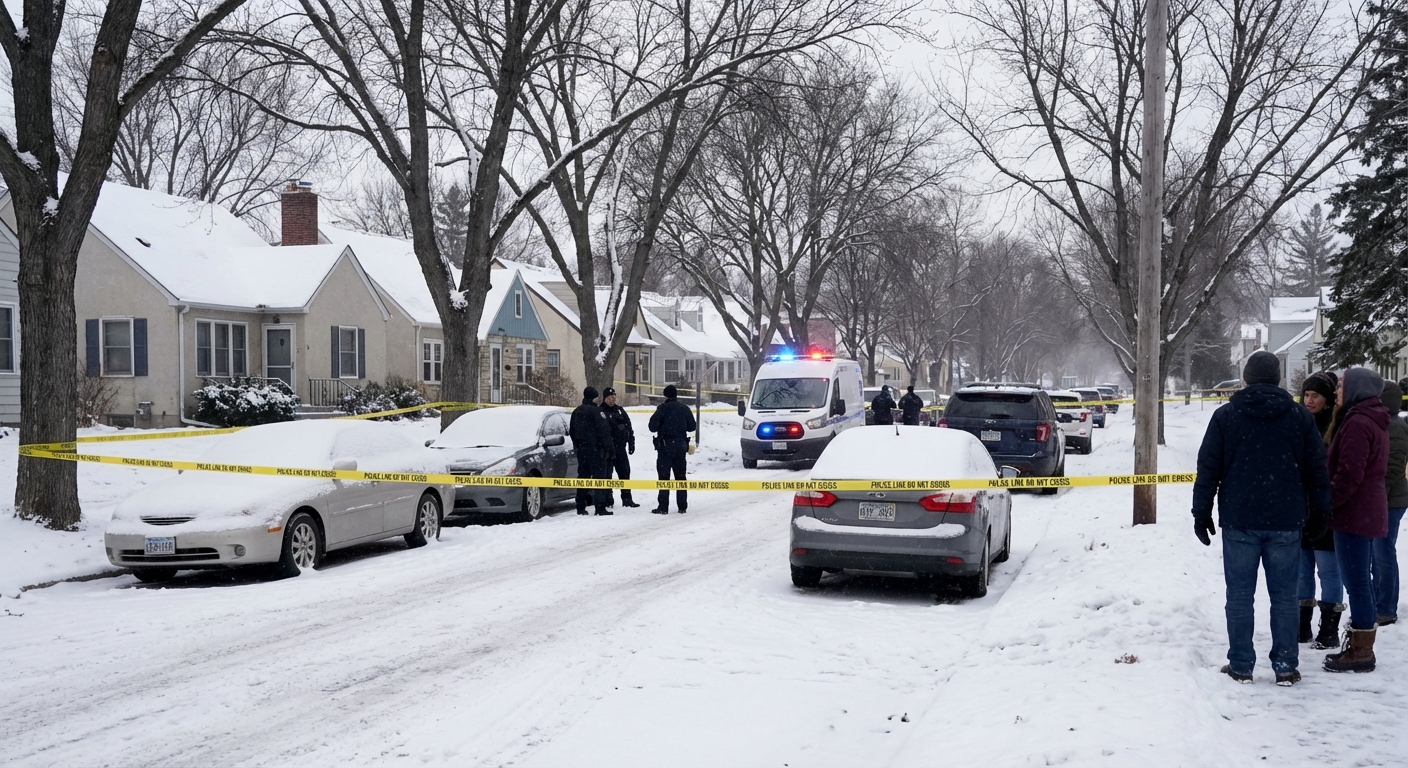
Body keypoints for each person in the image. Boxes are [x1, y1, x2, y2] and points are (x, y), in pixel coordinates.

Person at [1192, 350, 1331, 686]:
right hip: (1286, 518)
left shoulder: (1226, 416)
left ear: (1247, 378)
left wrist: (1201, 511)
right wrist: (1321, 511)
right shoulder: (1299, 417)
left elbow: (1208, 467)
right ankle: (1285, 665)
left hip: (1240, 517)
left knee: (1239, 595)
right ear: (1278, 378)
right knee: (1284, 596)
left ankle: (1241, 665)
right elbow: (1317, 470)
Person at [1323, 367, 1391, 673]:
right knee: (1361, 580)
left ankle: (1361, 651)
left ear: (1356, 389)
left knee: (1357, 583)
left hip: (1354, 513)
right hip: (1367, 509)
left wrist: (1328, 504)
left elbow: (1349, 473)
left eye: (1341, 386)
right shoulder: (1372, 419)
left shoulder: (1357, 423)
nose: (1337, 392)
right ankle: (1360, 646)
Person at [1298, 371, 1344, 648]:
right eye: (1306, 394)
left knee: (1329, 570)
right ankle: (1301, 626)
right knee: (1302, 570)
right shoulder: (1299, 422)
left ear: (1327, 400)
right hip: (1301, 508)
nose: (1309, 400)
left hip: (1327, 507)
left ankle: (1329, 629)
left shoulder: (1338, 426)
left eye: (1315, 395)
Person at [1373, 380, 1408, 626]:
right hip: (1383, 498)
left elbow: (1394, 466)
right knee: (1379, 552)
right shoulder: (1385, 423)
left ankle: (1386, 607)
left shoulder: (1394, 426)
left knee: (1383, 552)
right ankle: (1380, 603)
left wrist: (1376, 494)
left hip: (1390, 500)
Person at [648, 384, 696, 514]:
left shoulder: (662, 409)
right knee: (681, 476)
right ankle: (682, 506)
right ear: (676, 395)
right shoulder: (684, 408)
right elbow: (692, 427)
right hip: (680, 445)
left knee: (664, 477)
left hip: (665, 446)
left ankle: (663, 507)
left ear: (665, 395)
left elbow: (652, 427)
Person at [569, 386, 615, 516]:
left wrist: (577, 445)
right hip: (596, 450)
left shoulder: (576, 411)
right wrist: (609, 448)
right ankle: (599, 507)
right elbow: (604, 432)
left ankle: (580, 506)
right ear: (594, 397)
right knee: (599, 478)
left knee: (582, 477)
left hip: (581, 450)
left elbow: (571, 431)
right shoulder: (597, 412)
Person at [600, 387, 639, 508]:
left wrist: (631, 442)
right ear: (605, 398)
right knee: (607, 476)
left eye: (614, 397)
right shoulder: (600, 411)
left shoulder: (620, 411)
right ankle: (608, 500)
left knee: (625, 473)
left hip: (620, 448)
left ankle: (627, 499)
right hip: (607, 450)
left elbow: (629, 427)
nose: (612, 399)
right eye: (610, 397)